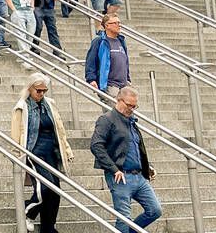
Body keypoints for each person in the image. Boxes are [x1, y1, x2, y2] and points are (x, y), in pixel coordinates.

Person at [90, 87, 162, 233]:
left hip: (139, 176)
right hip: (120, 176)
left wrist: (147, 167)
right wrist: (114, 169)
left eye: (135, 106)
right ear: (118, 99)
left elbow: (136, 147)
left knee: (155, 210)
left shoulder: (131, 121)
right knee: (123, 217)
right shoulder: (107, 119)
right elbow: (96, 146)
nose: (132, 109)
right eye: (129, 105)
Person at [11, 73, 74, 233]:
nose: (41, 94)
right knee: (44, 189)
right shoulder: (22, 106)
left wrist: (66, 149)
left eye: (44, 90)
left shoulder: (49, 104)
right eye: (38, 90)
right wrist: (17, 153)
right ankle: (27, 212)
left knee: (55, 190)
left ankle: (48, 227)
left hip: (51, 152)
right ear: (30, 88)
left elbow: (59, 130)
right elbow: (16, 132)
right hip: (33, 151)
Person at [85, 13, 131, 98]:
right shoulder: (99, 41)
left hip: (124, 85)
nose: (118, 25)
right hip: (109, 85)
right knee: (113, 110)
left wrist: (128, 79)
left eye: (119, 23)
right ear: (107, 26)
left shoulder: (121, 41)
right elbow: (90, 61)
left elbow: (125, 62)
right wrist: (91, 79)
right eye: (115, 23)